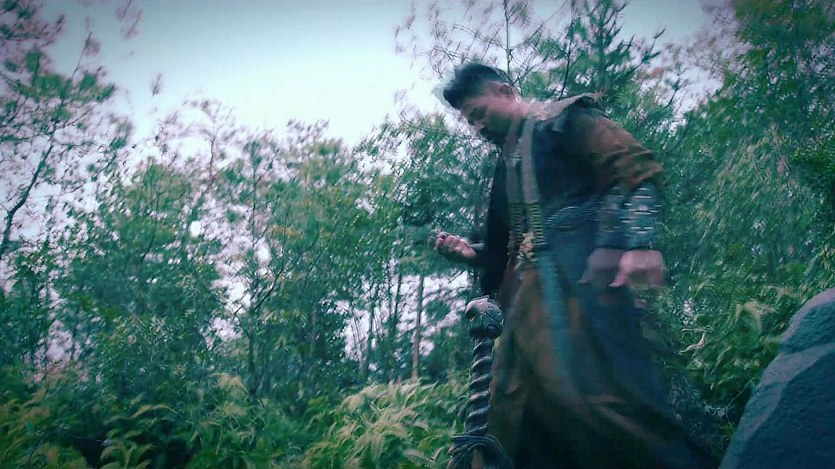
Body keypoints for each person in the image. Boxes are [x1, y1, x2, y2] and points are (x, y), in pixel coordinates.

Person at [433, 62, 718, 468]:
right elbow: (505, 246)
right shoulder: (507, 163)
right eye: (469, 121)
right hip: (527, 314)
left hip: (585, 293)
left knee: (611, 408)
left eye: (478, 113)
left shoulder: (564, 121)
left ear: (504, 91)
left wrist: (639, 244)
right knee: (518, 419)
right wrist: (472, 254)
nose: (477, 126)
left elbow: (635, 169)